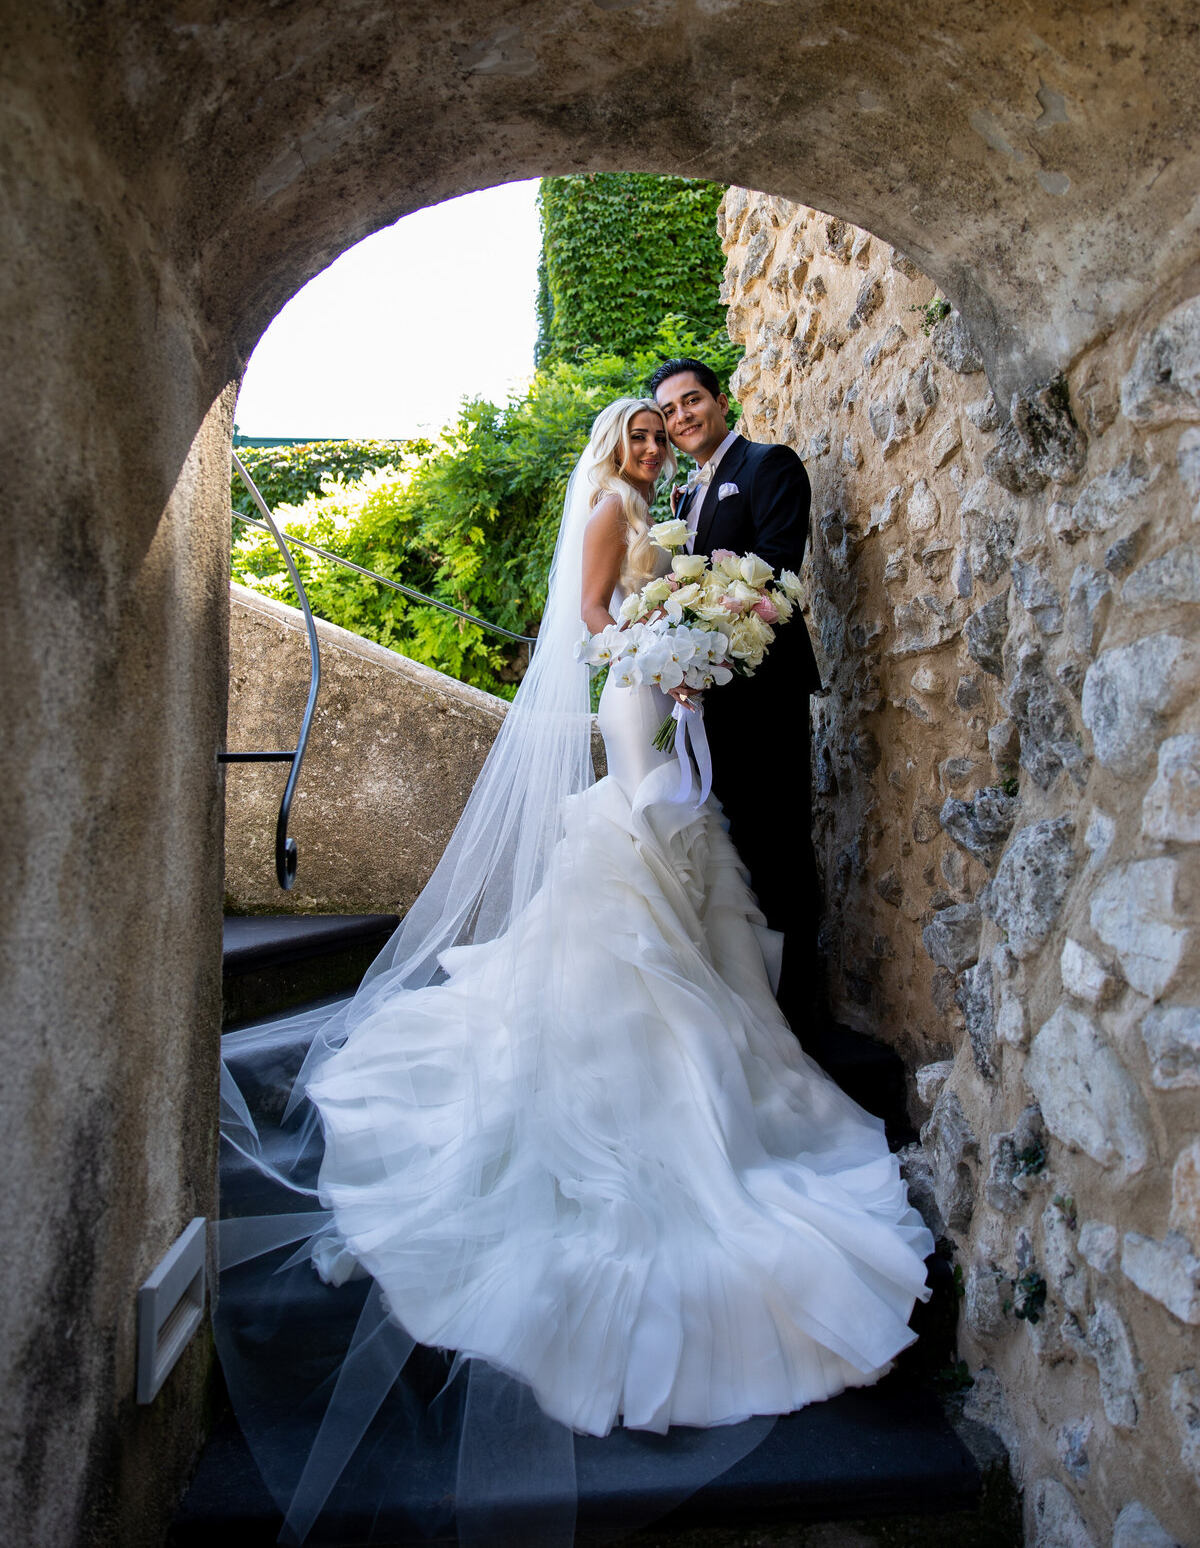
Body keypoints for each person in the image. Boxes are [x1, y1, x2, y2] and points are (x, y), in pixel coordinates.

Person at [217, 396, 932, 1547]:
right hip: (637, 694)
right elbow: (596, 618)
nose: (651, 449)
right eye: (640, 435)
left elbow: (642, 604)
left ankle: (700, 1039)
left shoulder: (659, 503)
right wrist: (668, 646)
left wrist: (688, 644)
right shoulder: (609, 504)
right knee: (640, 853)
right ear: (614, 447)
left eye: (662, 436)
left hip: (669, 687)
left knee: (673, 857)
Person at [648, 357, 823, 1031]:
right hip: (705, 702)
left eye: (692, 401)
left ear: (721, 401)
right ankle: (757, 1008)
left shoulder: (768, 466)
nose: (682, 416)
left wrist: (703, 633)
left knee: (779, 843)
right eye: (670, 411)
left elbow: (777, 570)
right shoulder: (685, 498)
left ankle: (801, 1014)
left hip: (764, 691)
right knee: (734, 847)